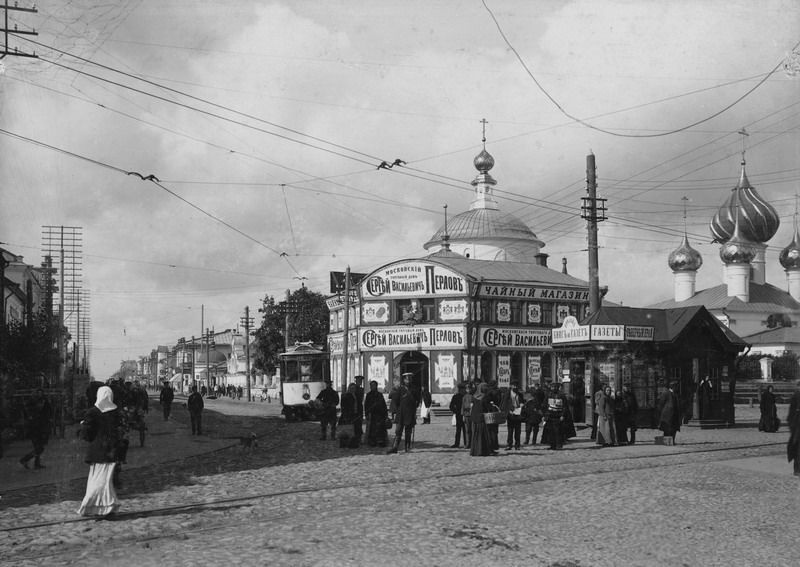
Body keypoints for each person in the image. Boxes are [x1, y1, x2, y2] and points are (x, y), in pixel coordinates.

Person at [76, 386, 124, 517]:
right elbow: (120, 433)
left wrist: (82, 427)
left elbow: (87, 435)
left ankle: (98, 507)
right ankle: (104, 507)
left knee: (98, 481)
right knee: (105, 481)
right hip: (111, 452)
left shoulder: (92, 412)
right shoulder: (116, 412)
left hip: (97, 452)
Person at [19, 389, 52, 470]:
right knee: (39, 447)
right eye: (38, 393)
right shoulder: (32, 403)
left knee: (39, 447)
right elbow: (30, 414)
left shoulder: (44, 402)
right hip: (36, 427)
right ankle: (25, 460)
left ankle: (36, 463)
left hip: (40, 427)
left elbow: (48, 412)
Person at [387, 374, 418, 454]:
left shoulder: (414, 389)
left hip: (410, 413)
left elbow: (417, 401)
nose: (408, 381)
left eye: (410, 379)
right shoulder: (400, 389)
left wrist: (414, 412)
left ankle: (407, 447)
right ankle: (395, 447)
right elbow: (396, 400)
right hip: (401, 413)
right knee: (398, 431)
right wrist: (399, 409)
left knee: (408, 431)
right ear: (404, 380)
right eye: (407, 379)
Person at [469, 383, 493, 456]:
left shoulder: (474, 396)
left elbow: (472, 407)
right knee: (482, 434)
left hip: (475, 417)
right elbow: (486, 407)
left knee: (475, 434)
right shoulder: (484, 397)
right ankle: (482, 451)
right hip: (481, 417)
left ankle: (475, 451)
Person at [541, 383, 567, 450]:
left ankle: (559, 445)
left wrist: (562, 415)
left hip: (558, 415)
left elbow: (565, 407)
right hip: (550, 415)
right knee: (550, 431)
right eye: (552, 387)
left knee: (558, 431)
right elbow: (544, 405)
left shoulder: (562, 396)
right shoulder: (548, 395)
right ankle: (552, 445)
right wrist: (544, 415)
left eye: (555, 387)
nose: (554, 388)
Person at [364, 380, 388, 447]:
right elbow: (366, 405)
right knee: (372, 429)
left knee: (380, 429)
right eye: (371, 386)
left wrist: (385, 414)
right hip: (372, 415)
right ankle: (372, 441)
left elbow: (383, 405)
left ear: (376, 386)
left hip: (380, 415)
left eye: (374, 385)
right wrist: (366, 414)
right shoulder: (368, 395)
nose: (372, 387)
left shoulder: (380, 395)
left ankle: (381, 441)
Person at [501, 383, 524, 450]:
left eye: (516, 386)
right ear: (511, 386)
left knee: (518, 430)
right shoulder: (507, 394)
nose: (515, 387)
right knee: (510, 430)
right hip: (510, 413)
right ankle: (509, 444)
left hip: (518, 412)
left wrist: (522, 404)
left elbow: (522, 401)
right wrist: (508, 410)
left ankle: (517, 445)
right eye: (514, 386)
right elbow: (504, 404)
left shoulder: (519, 394)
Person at [338, 383, 360, 448]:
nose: (353, 390)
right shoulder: (345, 396)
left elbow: (359, 405)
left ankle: (353, 444)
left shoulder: (357, 396)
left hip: (356, 415)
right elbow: (343, 407)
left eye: (354, 388)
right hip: (348, 415)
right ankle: (345, 444)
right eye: (352, 388)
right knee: (346, 430)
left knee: (355, 430)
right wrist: (345, 416)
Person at [787, 381, 800, 478]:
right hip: (797, 426)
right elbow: (791, 414)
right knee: (797, 448)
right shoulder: (796, 396)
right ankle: (797, 469)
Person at [449, 383, 466, 448]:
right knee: (458, 430)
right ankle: (457, 443)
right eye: (461, 389)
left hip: (466, 415)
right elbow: (451, 406)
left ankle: (466, 443)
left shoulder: (466, 396)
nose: (462, 390)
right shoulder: (456, 396)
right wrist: (456, 411)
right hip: (459, 415)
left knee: (466, 430)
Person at [461, 383, 474, 450]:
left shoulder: (472, 396)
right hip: (466, 415)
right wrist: (463, 415)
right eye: (467, 389)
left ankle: (472, 443)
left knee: (472, 430)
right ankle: (467, 443)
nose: (468, 390)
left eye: (469, 388)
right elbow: (462, 406)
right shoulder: (464, 397)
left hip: (471, 415)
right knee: (467, 431)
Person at [354, 375, 365, 441]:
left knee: (359, 423)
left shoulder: (361, 389)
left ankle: (359, 438)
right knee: (354, 424)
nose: (360, 382)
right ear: (356, 381)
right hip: (354, 408)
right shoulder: (353, 388)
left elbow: (361, 399)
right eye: (358, 381)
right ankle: (355, 437)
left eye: (361, 381)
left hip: (359, 408)